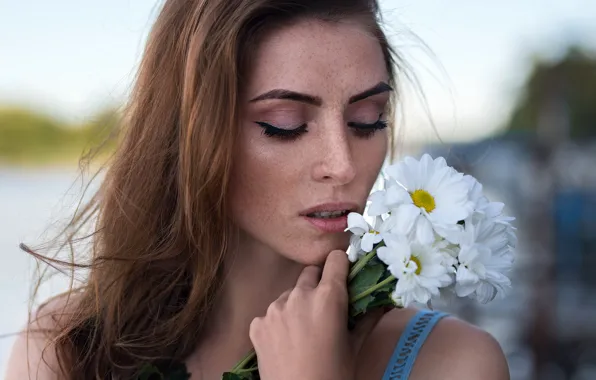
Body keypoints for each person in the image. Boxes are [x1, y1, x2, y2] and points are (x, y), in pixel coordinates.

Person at [5, 0, 510, 379]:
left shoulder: (454, 363)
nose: (342, 165)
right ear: (192, 135)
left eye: (366, 120)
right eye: (284, 124)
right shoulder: (64, 350)